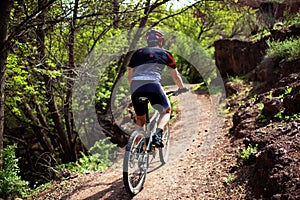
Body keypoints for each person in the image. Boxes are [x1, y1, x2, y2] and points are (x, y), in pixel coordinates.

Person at [128, 29, 187, 147]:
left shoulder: (137, 53)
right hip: (153, 85)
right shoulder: (166, 54)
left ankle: (137, 148)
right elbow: (175, 76)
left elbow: (130, 76)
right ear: (161, 41)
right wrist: (181, 88)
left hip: (135, 86)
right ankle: (158, 136)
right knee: (166, 111)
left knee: (140, 119)